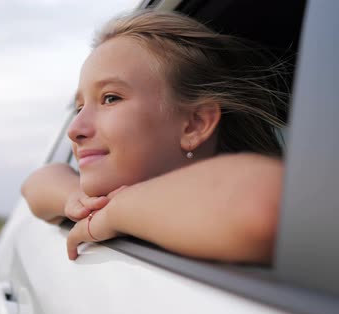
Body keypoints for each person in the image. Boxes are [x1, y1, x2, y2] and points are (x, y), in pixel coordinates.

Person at [21, 9, 290, 264]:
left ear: (194, 125)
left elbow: (268, 204)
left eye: (110, 98)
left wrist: (117, 211)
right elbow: (36, 184)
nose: (74, 129)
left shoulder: (228, 202)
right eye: (79, 108)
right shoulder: (91, 200)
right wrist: (75, 199)